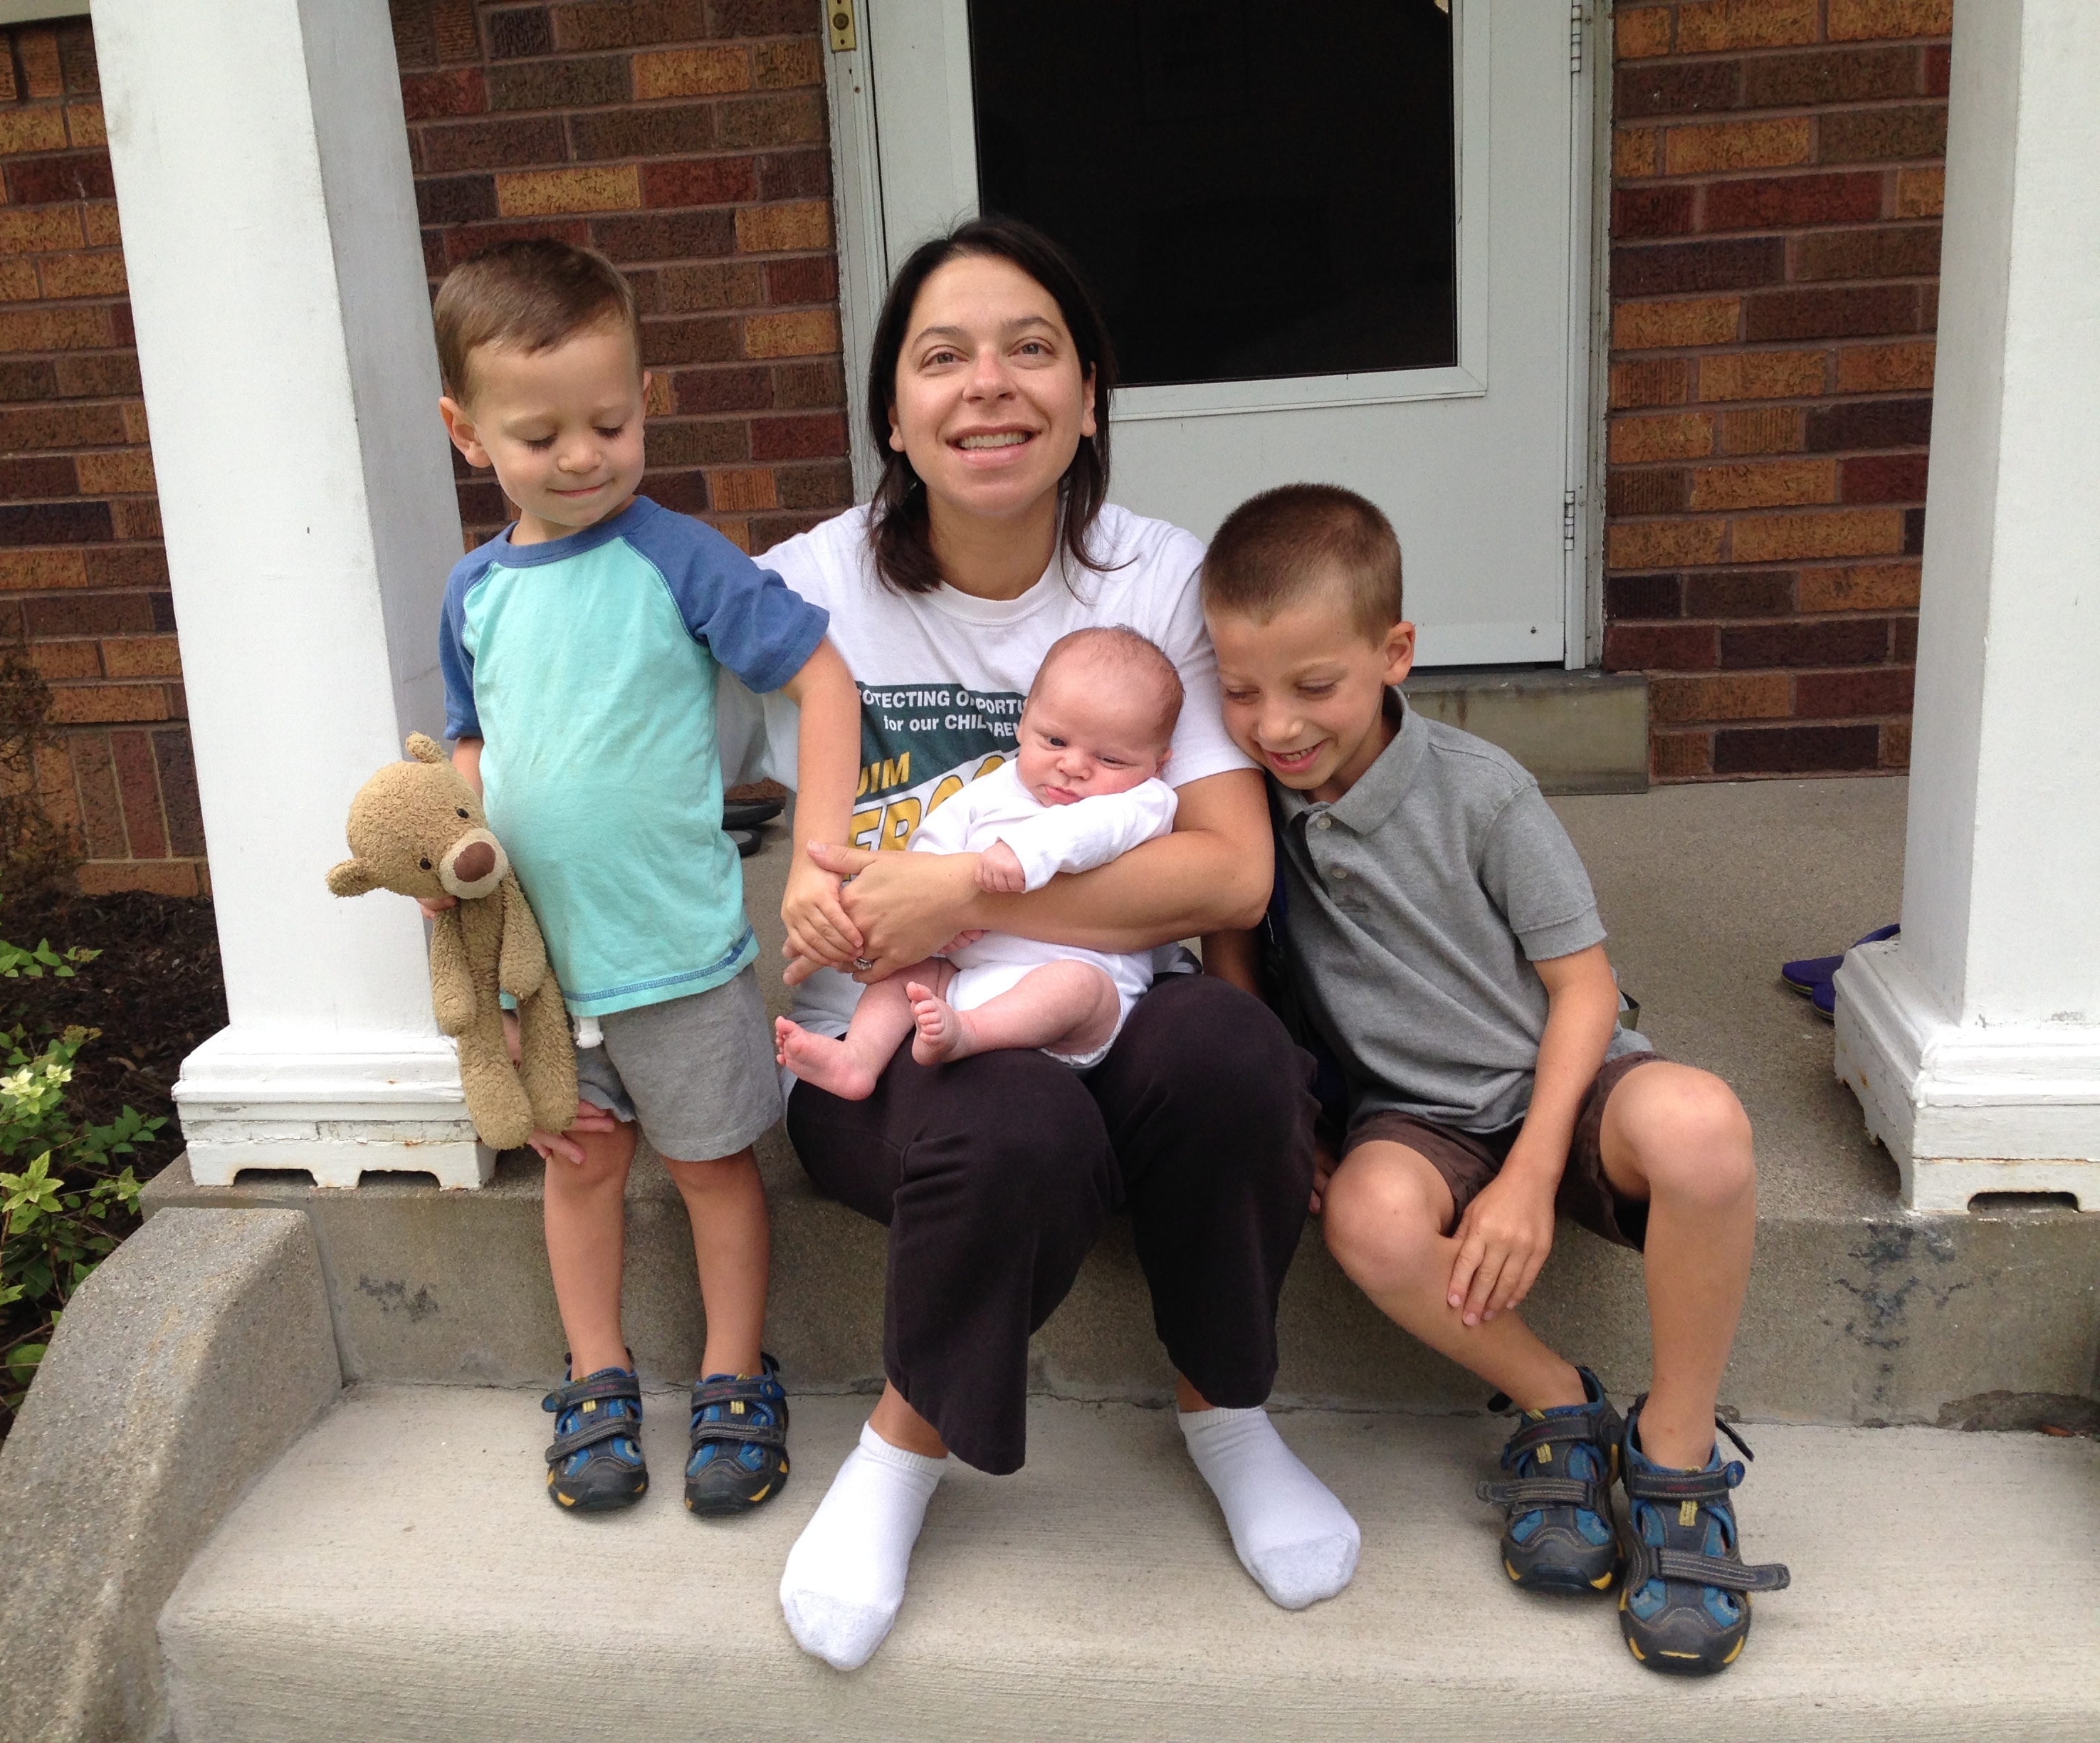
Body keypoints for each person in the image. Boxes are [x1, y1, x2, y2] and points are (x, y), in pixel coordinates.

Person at [740, 217, 1356, 1673]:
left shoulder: (1156, 579)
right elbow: (623, 742)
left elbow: (1231, 871)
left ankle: (1229, 1410)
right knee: (1011, 1117)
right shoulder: (808, 587)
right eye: (941, 357)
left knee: (1230, 1049)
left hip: (1110, 1007)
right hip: (890, 1052)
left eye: (1032, 350)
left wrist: (964, 896)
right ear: (892, 410)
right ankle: (901, 1451)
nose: (989, 386)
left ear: (1090, 394)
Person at [1199, 482, 1790, 1675]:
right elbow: (1228, 942)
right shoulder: (1245, 802)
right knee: (1366, 1215)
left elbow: (1580, 986)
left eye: (1313, 685)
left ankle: (1670, 1454)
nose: (1274, 724)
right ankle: (1556, 1403)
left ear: (1392, 652)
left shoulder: (1481, 791)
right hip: (1410, 1119)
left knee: (1701, 1126)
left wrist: (1528, 1174)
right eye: (1239, 689)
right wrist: (1288, 1107)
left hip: (1558, 1083)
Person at [428, 239, 862, 1519]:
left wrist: (818, 851)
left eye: (609, 422)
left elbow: (817, 674)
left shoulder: (678, 557)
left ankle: (733, 1370)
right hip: (549, 968)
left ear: (644, 399)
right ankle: (598, 1369)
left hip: (677, 952)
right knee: (580, 1164)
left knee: (717, 1165)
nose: (581, 455)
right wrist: (465, 904)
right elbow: (470, 752)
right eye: (539, 432)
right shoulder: (471, 593)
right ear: (465, 433)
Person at [775, 626, 1182, 1094]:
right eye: (1054, 741)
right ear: (1024, 722)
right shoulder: (996, 786)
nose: (1073, 766)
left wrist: (1026, 853)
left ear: (1158, 762)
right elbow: (936, 842)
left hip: (1078, 1007)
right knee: (906, 976)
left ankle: (969, 1035)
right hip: (966, 977)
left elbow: (1095, 832)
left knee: (1076, 986)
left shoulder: (1146, 801)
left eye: (1109, 759)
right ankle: (859, 1057)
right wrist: (935, 910)